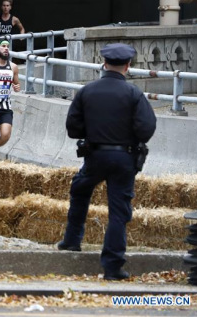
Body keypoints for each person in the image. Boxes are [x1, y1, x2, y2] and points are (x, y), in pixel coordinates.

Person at [58, 43, 156, 281]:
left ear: (104, 64)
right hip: (124, 158)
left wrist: (92, 133)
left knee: (80, 190)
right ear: (128, 66)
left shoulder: (87, 91)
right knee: (119, 211)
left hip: (95, 155)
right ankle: (112, 266)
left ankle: (72, 241)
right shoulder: (134, 94)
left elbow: (73, 128)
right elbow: (146, 128)